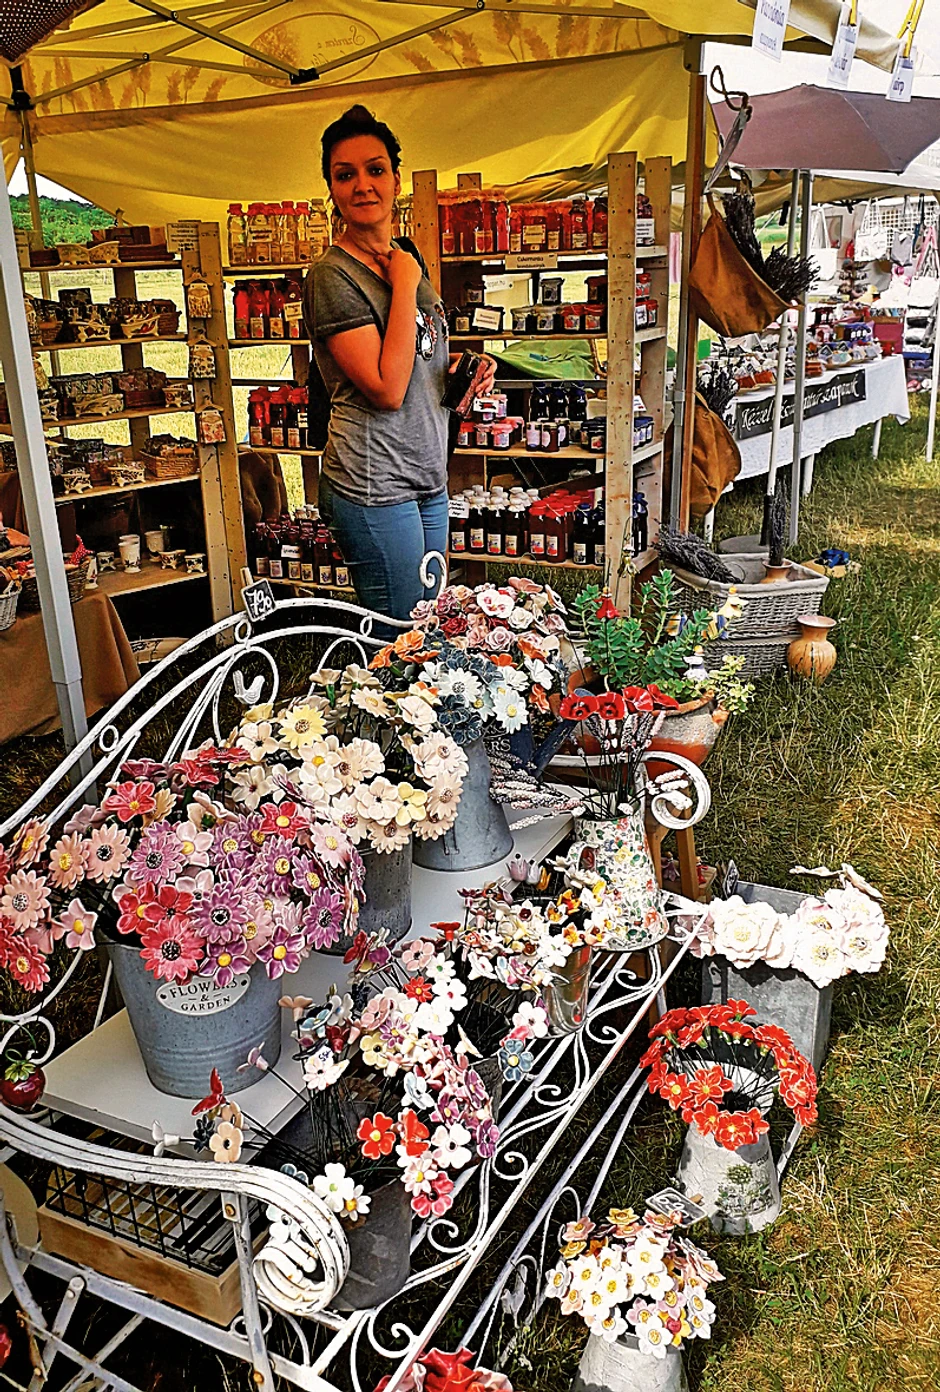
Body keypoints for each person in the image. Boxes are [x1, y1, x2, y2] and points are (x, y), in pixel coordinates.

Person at [304, 104, 494, 620]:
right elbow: (387, 388)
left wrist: (461, 371)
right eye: (346, 175)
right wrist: (406, 285)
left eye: (375, 169)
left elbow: (419, 351)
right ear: (332, 189)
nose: (362, 185)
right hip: (373, 484)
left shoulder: (405, 255)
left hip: (426, 475)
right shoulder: (332, 277)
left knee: (428, 628)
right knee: (400, 638)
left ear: (396, 179)